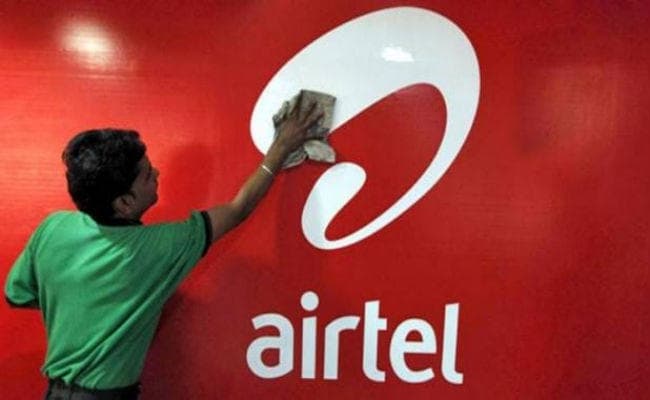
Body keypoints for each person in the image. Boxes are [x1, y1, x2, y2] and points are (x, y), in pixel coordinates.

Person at [4, 98, 322, 399]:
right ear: (124, 202)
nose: (156, 173)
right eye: (146, 175)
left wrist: (80, 306)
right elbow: (238, 208)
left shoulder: (53, 227)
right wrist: (281, 148)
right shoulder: (160, 248)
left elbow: (16, 294)